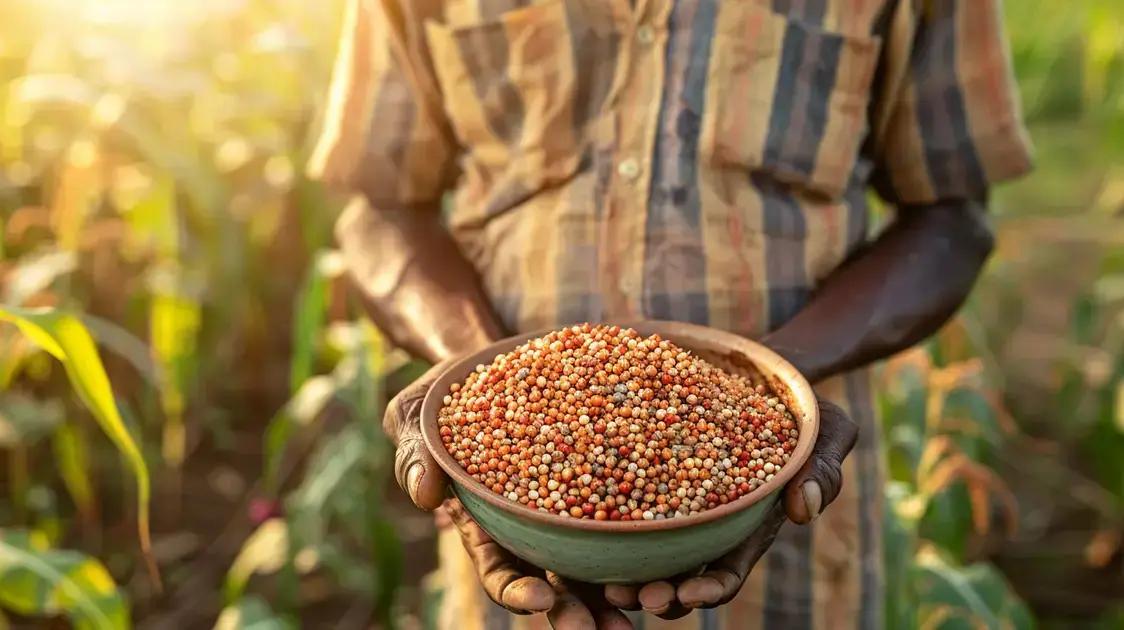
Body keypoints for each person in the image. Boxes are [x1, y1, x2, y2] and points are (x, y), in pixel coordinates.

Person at [308, 0, 1032, 627]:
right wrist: (467, 366)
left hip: (798, 531)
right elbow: (383, 207)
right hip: (510, 542)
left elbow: (950, 216)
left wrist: (781, 383)